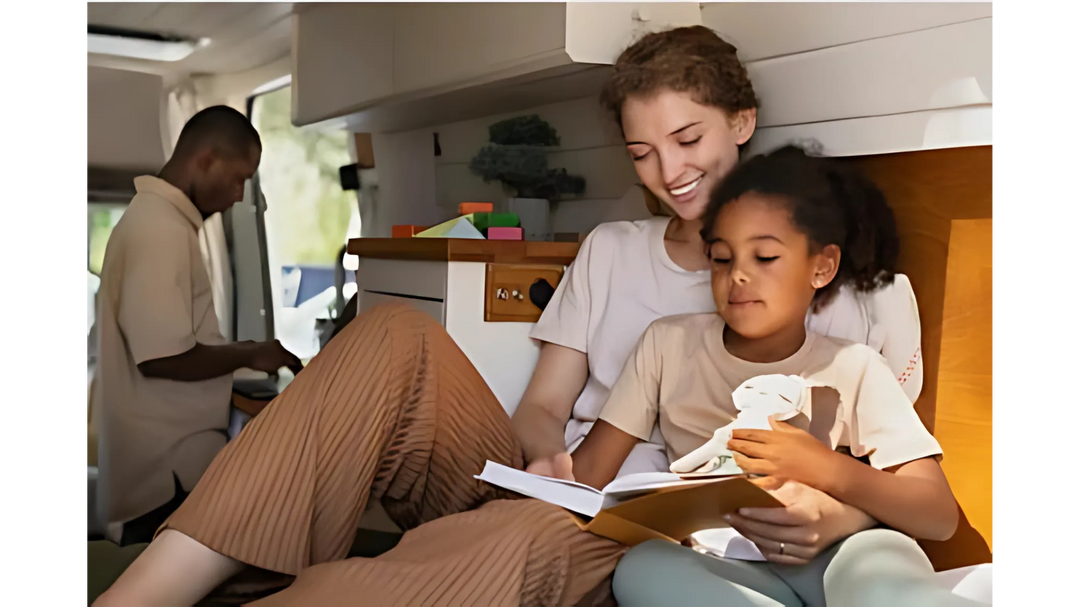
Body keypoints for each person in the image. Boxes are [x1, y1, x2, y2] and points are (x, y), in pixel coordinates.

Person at [95, 28, 923, 606]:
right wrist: (543, 456)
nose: (669, 171)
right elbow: (542, 403)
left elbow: (894, 480)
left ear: (740, 124)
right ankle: (145, 591)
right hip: (567, 480)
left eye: (688, 138)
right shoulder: (611, 248)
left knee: (504, 546)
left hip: (657, 533)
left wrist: (837, 515)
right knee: (394, 334)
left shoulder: (841, 282)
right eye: (642, 153)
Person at [588, 146, 975, 606]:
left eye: (765, 258)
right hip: (723, 562)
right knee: (642, 568)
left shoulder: (852, 365)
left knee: (884, 575)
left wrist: (827, 473)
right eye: (722, 258)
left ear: (822, 267)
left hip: (842, 550)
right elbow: (591, 474)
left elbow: (938, 515)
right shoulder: (666, 345)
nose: (739, 277)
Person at [92, 106, 303, 547]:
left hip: (168, 466)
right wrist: (250, 353)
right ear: (205, 159)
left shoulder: (166, 223)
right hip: (162, 480)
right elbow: (162, 356)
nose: (240, 195)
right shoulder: (158, 229)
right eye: (239, 178)